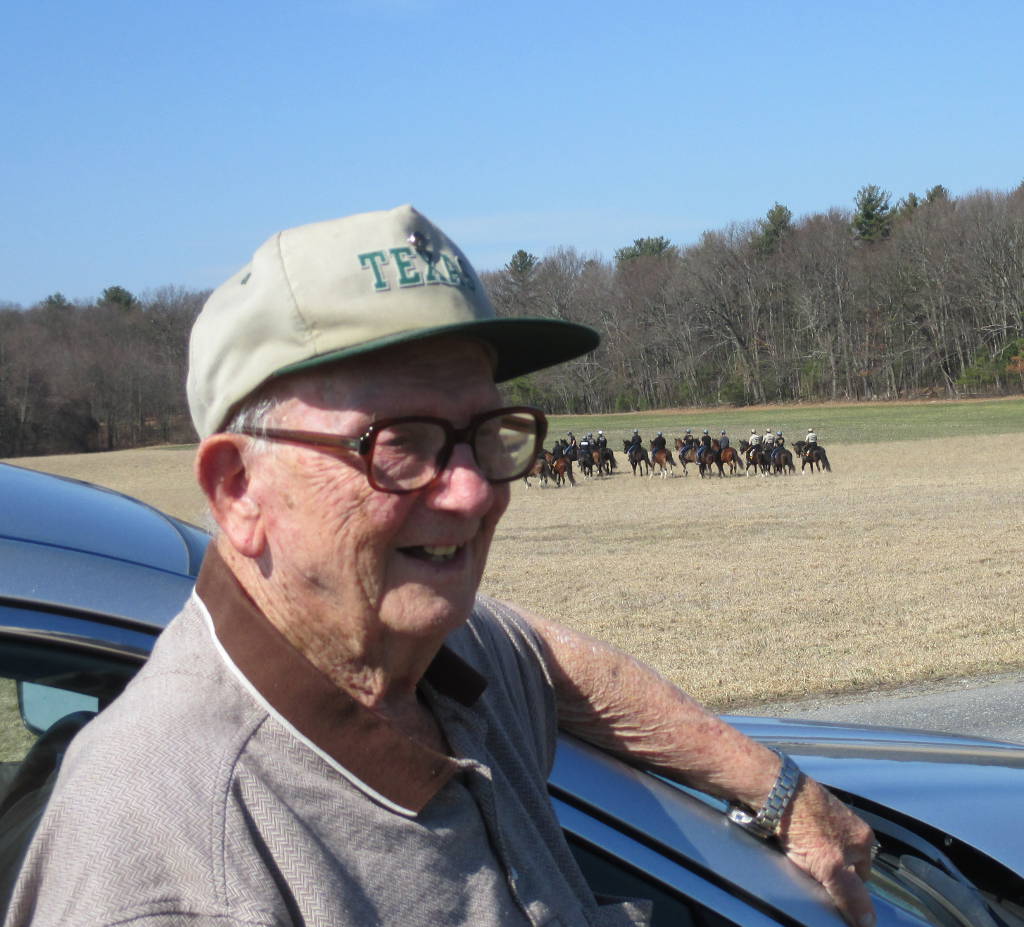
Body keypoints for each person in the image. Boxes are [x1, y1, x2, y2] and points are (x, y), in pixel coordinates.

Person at [6, 206, 875, 927]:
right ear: (238, 489)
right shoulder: (179, 860)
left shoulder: (422, 654)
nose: (472, 493)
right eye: (402, 445)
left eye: (485, 433)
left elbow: (548, 655)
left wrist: (779, 789)